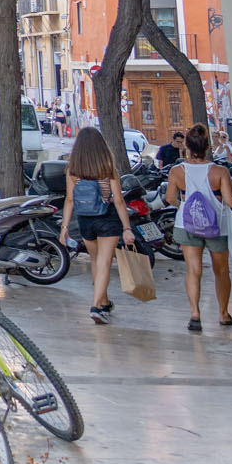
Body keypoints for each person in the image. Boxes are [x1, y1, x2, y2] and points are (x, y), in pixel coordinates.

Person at [57, 127, 136, 323]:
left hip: (85, 219)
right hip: (107, 218)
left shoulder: (73, 171)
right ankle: (95, 306)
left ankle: (104, 302)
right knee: (105, 263)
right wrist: (127, 228)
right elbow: (118, 201)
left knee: (95, 261)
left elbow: (69, 200)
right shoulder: (108, 170)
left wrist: (64, 228)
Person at [166, 123, 232, 332]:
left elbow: (170, 198)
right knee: (221, 271)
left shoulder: (176, 171)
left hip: (186, 225)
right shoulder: (220, 172)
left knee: (193, 270)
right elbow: (231, 202)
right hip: (217, 226)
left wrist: (187, 207)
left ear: (187, 146)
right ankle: (224, 314)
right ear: (207, 146)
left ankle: (195, 314)